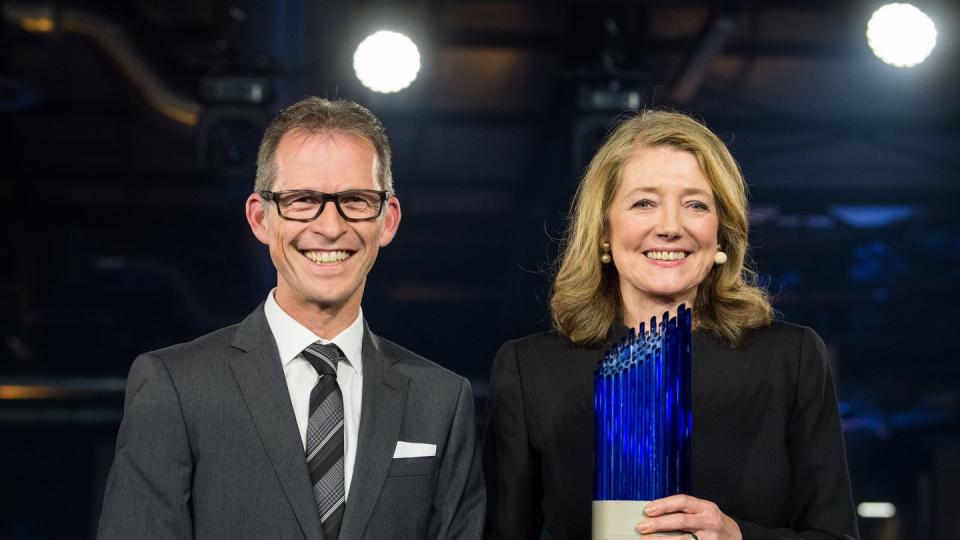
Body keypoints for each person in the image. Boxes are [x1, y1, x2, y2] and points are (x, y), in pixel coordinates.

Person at [98, 97, 485, 539]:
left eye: (355, 200)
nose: (329, 226)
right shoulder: (176, 386)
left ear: (387, 219)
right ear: (261, 218)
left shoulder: (441, 400)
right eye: (303, 200)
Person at [483, 111, 857, 540]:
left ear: (721, 232)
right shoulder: (529, 370)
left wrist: (737, 536)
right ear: (604, 230)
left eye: (696, 204)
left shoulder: (791, 358)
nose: (670, 227)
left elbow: (836, 535)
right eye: (644, 203)